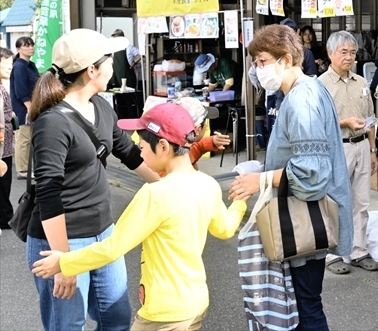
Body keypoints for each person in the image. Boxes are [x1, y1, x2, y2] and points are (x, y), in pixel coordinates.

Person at [31, 102, 247, 331]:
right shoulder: (208, 184)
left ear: (163, 147)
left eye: (142, 145)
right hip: (195, 302)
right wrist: (241, 201)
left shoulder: (155, 194)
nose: (139, 151)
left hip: (163, 313)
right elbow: (225, 229)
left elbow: (113, 248)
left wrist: (63, 262)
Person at [25, 28, 161, 331]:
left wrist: (168, 187)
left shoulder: (101, 105)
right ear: (91, 70)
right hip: (63, 240)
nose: (114, 64)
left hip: (105, 234)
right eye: (109, 59)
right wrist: (63, 261)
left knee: (116, 320)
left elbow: (127, 152)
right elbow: (48, 193)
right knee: (68, 325)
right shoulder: (52, 123)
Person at [228, 24, 353, 331]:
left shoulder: (300, 100)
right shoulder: (307, 89)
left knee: (306, 307)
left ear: (285, 59)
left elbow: (311, 173)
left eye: (261, 61)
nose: (257, 70)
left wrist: (260, 180)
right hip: (304, 221)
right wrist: (263, 170)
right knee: (304, 304)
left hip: (304, 223)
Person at [319, 31, 378, 275]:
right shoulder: (320, 85)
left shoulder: (362, 82)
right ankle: (332, 254)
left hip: (362, 145)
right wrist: (344, 122)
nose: (349, 57)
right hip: (337, 147)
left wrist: (373, 150)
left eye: (352, 52)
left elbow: (370, 120)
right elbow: (319, 122)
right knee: (334, 201)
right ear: (330, 53)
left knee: (361, 201)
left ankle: (358, 250)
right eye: (343, 52)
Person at [10, 36, 39, 180]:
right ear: (18, 49)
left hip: (32, 106)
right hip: (23, 109)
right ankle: (22, 170)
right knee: (23, 139)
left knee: (29, 139)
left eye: (32, 45)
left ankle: (28, 167)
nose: (30, 48)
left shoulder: (31, 65)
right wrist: (29, 107)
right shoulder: (19, 66)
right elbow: (20, 91)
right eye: (26, 45)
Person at [172, 97, 228, 171]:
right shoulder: (178, 165)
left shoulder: (176, 147)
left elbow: (197, 147)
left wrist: (212, 141)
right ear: (198, 130)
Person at [0, 47, 15, 230]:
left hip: (6, 143)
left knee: (5, 183)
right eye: (7, 63)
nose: (10, 67)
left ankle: (5, 215)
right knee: (3, 182)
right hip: (2, 144)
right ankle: (5, 217)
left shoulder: (2, 85)